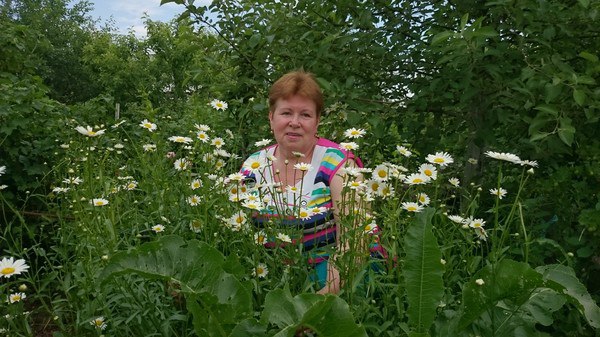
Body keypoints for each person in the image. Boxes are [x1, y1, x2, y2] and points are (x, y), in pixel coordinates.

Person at [240, 70, 363, 294]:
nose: (294, 123)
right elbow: (238, 228)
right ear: (271, 118)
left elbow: (354, 242)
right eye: (286, 113)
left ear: (317, 122)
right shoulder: (252, 167)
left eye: (305, 115)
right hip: (270, 273)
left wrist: (316, 304)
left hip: (333, 272)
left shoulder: (339, 164)